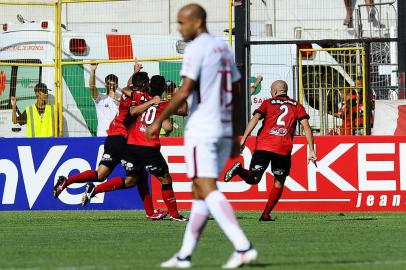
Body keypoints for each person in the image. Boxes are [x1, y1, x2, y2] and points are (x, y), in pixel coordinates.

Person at [146, 4, 257, 269]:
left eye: (182, 23)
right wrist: (233, 132)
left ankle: (243, 246)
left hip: (202, 127)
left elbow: (184, 92)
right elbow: (237, 90)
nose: (179, 28)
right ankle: (184, 255)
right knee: (198, 191)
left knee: (206, 187)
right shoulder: (223, 48)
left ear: (197, 22)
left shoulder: (197, 48)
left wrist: (159, 120)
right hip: (221, 126)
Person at [54, 71, 167, 221]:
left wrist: (135, 72)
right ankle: (151, 212)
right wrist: (153, 101)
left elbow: (127, 88)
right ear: (145, 84)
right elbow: (135, 109)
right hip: (123, 140)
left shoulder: (129, 93)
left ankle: (67, 181)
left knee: (100, 175)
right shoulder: (142, 98)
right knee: (137, 178)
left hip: (112, 137)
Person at [82, 74, 188, 222]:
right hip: (148, 147)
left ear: (149, 86)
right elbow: (183, 111)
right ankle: (175, 214)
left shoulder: (141, 99)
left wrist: (135, 78)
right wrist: (181, 93)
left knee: (133, 180)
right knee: (165, 179)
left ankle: (96, 189)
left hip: (131, 146)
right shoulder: (164, 104)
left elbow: (127, 92)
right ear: (163, 89)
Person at [223, 80, 317, 221]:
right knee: (278, 182)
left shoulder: (267, 103)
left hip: (263, 145)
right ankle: (265, 215)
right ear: (285, 91)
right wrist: (311, 150)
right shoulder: (297, 105)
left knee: (254, 179)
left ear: (274, 92)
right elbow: (306, 127)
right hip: (283, 148)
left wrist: (243, 140)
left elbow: (255, 119)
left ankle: (239, 170)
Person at [89, 64, 120, 137]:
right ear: (105, 85)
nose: (111, 87)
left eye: (113, 84)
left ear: (117, 85)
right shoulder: (100, 97)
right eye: (109, 84)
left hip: (116, 135)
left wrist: (115, 98)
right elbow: (92, 86)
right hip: (102, 134)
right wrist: (93, 70)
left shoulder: (121, 99)